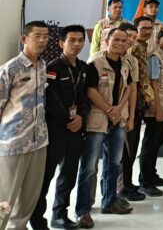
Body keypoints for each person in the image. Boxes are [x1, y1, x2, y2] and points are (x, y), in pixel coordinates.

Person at [30, 25, 89, 230]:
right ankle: (37, 219)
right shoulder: (52, 69)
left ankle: (60, 215)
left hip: (76, 130)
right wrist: (68, 120)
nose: (77, 44)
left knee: (69, 175)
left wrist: (81, 117)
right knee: (45, 177)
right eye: (72, 40)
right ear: (61, 43)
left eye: (80, 40)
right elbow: (50, 101)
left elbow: (85, 99)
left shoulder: (83, 68)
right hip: (55, 131)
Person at [76, 28, 134, 224]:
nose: (120, 43)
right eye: (116, 39)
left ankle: (109, 201)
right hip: (98, 119)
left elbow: (128, 88)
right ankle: (83, 210)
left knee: (114, 163)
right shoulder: (96, 63)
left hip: (118, 119)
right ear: (107, 41)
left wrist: (119, 109)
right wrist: (110, 110)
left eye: (123, 40)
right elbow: (91, 91)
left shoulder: (125, 63)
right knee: (89, 166)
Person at [0, 21, 49, 230]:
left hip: (39, 141)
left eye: (46, 36)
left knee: (30, 196)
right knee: (6, 196)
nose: (42, 40)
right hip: (14, 142)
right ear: (24, 39)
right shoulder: (10, 69)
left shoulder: (43, 66)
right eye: (37, 36)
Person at [138, 28, 163, 197]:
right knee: (150, 145)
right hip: (156, 110)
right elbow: (152, 85)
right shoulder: (155, 58)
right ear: (158, 40)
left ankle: (152, 175)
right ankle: (145, 182)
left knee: (157, 143)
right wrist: (158, 109)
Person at [117, 17, 151, 203]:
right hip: (116, 113)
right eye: (126, 37)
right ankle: (121, 187)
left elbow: (135, 86)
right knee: (120, 153)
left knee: (131, 149)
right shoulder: (106, 58)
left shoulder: (131, 59)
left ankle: (127, 183)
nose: (129, 40)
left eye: (132, 37)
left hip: (133, 110)